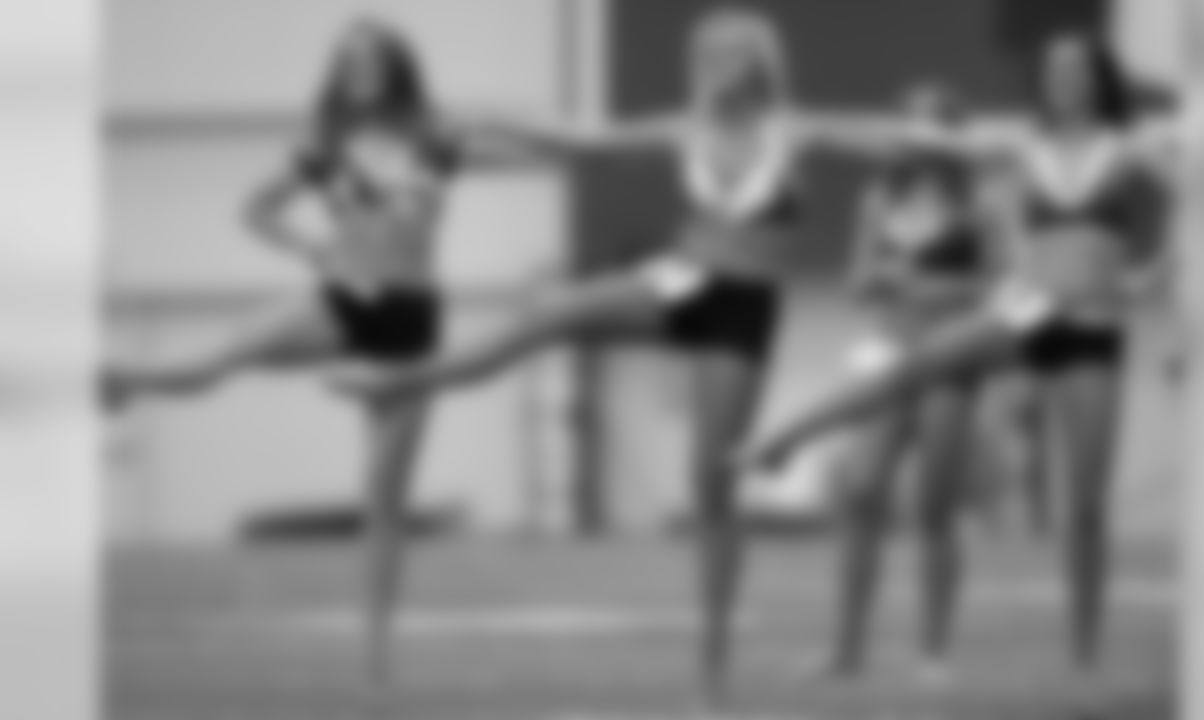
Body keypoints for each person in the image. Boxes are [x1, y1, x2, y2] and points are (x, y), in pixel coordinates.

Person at [333, 5, 907, 701]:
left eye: (727, 56)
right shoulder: (683, 127)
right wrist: (495, 120)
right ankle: (403, 377)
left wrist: (991, 142)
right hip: (678, 280)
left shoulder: (791, 132)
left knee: (712, 482)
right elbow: (586, 143)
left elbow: (895, 137)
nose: (711, 68)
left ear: (758, 63)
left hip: (742, 311)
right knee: (548, 314)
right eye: (704, 57)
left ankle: (713, 666)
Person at [101, 17, 572, 712]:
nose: (360, 73)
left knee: (383, 497)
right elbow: (255, 211)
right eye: (348, 63)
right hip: (341, 300)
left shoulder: (435, 142)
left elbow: (544, 159)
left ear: (395, 70)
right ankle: (119, 380)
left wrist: (515, 127)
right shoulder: (324, 148)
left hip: (410, 323)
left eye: (371, 61)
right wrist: (312, 250)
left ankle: (376, 657)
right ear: (338, 76)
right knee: (225, 355)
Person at [736, 32, 1174, 699]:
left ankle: (1084, 660)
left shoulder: (1127, 150)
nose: (1063, 79)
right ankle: (782, 439)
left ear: (1098, 78)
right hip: (1023, 312)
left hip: (1091, 324)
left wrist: (1154, 273)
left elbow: (1203, 194)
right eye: (1053, 69)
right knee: (906, 379)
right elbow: (915, 142)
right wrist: (814, 126)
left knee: (1085, 503)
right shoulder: (1017, 145)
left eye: (1076, 69)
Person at [822, 85, 999, 685]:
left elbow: (1003, 285)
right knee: (861, 489)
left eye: (931, 125)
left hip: (951, 352)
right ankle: (847, 653)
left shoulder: (978, 204)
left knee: (934, 504)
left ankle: (933, 652)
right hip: (889, 349)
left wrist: (945, 289)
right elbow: (854, 283)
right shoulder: (879, 198)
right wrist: (882, 275)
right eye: (909, 125)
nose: (918, 137)